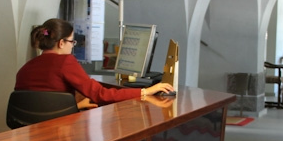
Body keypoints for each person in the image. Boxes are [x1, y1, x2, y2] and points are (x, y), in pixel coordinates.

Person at [15, 18, 175, 107]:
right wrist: (145, 91)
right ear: (61, 43)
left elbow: (38, 108)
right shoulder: (65, 61)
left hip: (31, 136)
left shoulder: (25, 69)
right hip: (56, 136)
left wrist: (76, 106)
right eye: (72, 42)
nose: (72, 46)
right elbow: (101, 95)